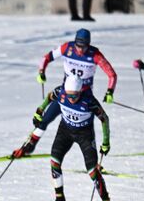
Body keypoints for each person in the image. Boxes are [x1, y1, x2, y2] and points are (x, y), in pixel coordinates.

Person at [21, 75, 119, 201]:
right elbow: (49, 97)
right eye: (69, 95)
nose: (72, 99)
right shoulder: (60, 92)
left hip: (84, 134)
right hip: (65, 130)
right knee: (54, 161)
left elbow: (104, 118)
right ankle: (59, 200)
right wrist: (39, 111)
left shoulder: (89, 100)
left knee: (92, 170)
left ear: (80, 91)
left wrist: (106, 142)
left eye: (75, 96)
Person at [14, 28, 116, 157]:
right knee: (45, 119)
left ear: (88, 45)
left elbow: (112, 75)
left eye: (83, 47)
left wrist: (110, 92)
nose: (80, 50)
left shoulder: (95, 55)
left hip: (84, 99)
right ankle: (28, 146)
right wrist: (41, 72)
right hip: (64, 94)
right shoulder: (67, 48)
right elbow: (46, 57)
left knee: (87, 133)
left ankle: (95, 162)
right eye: (78, 46)